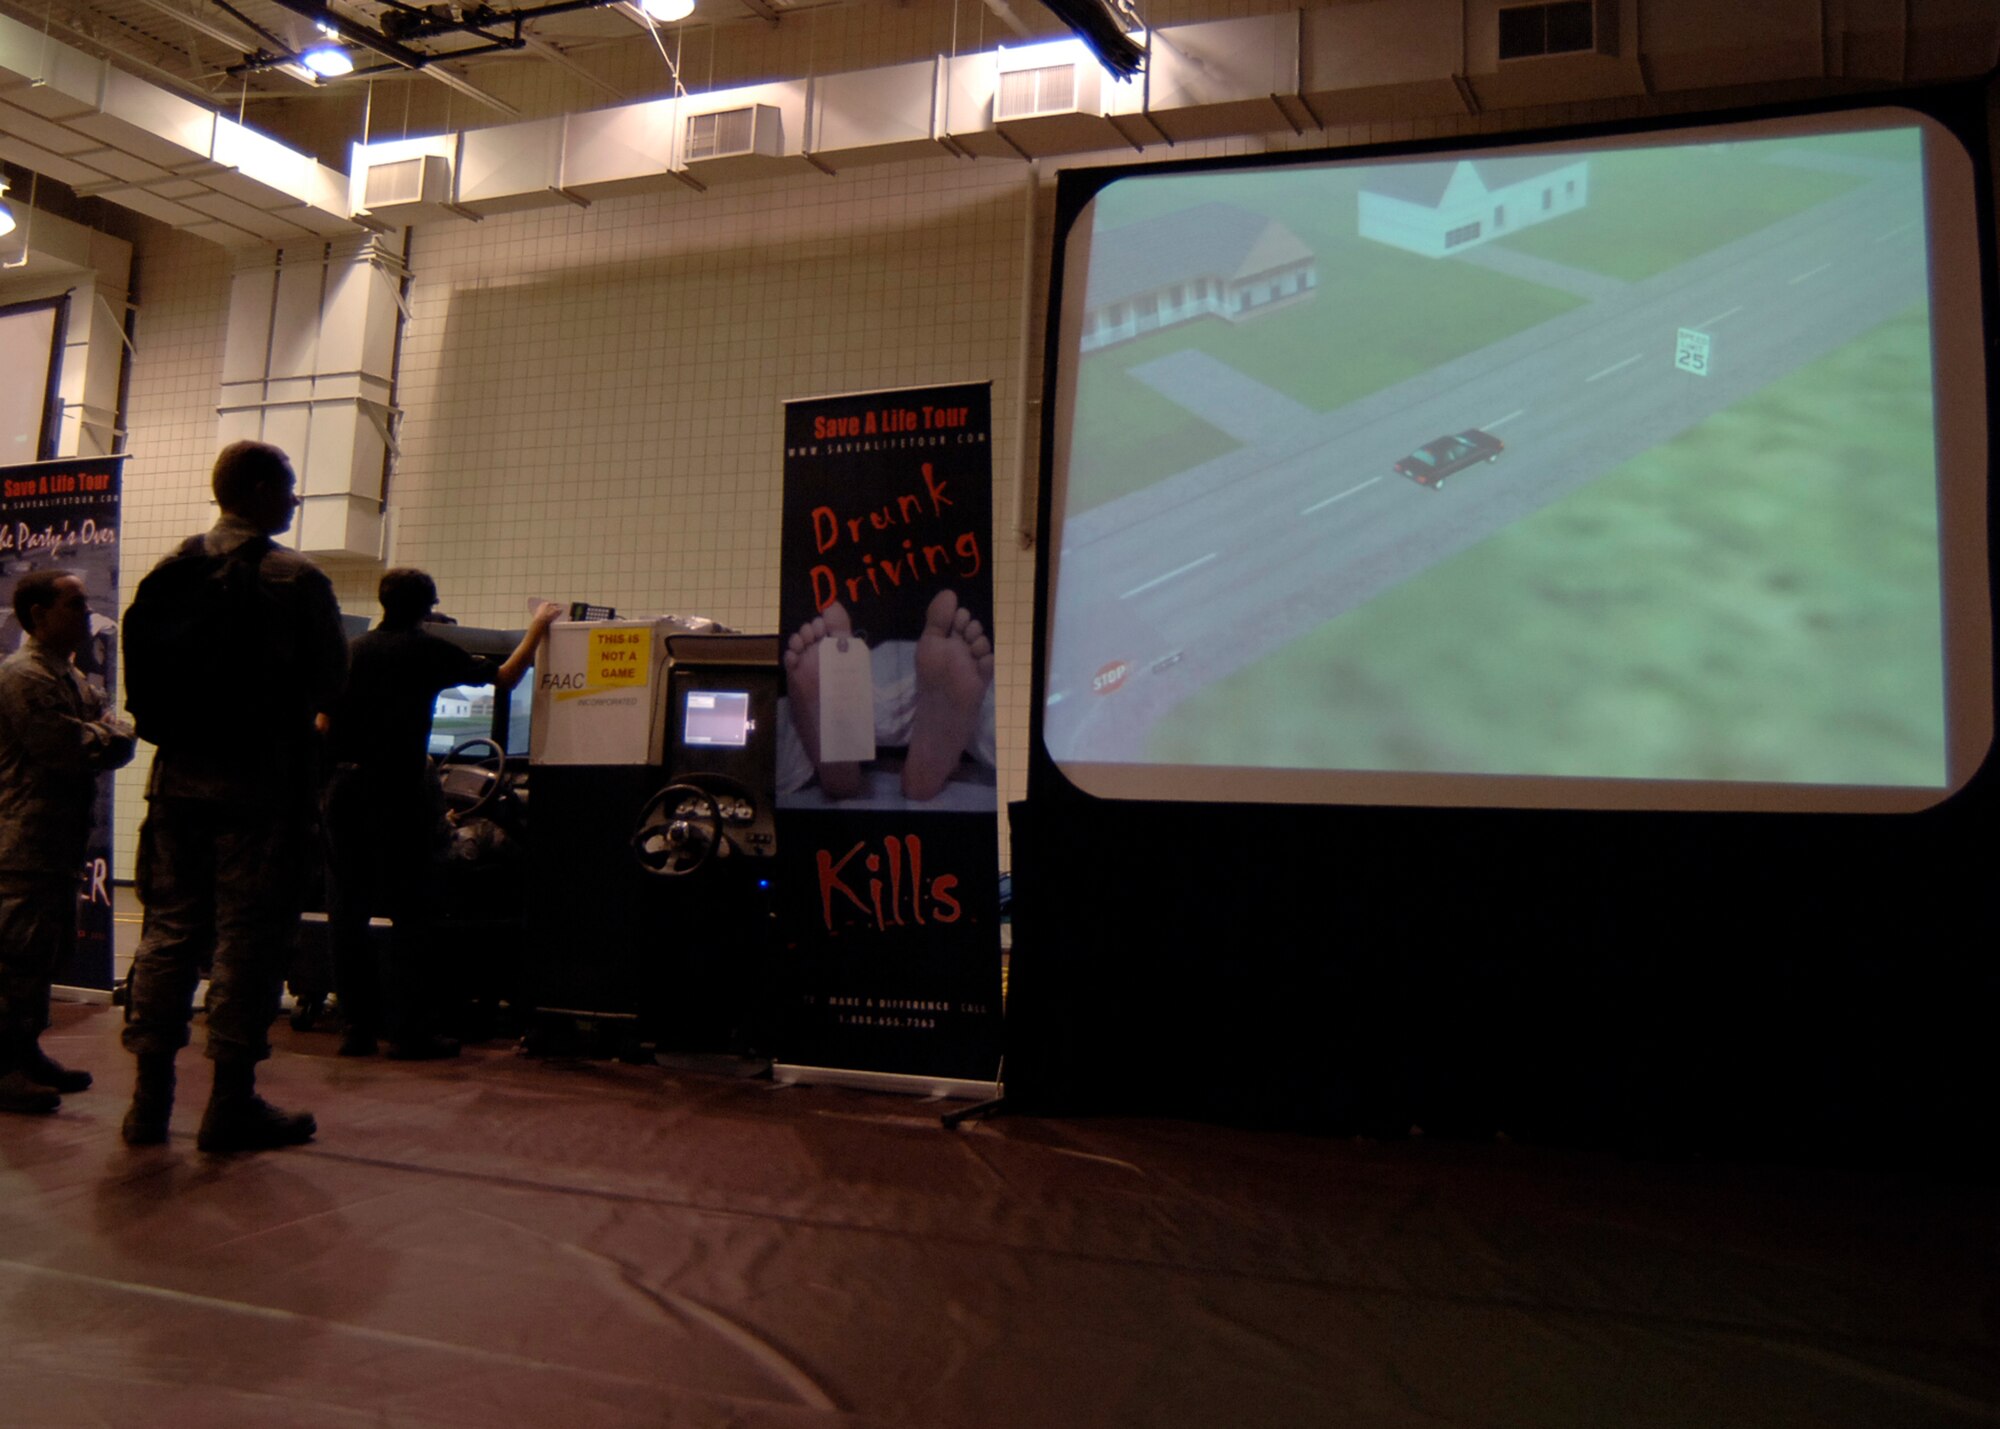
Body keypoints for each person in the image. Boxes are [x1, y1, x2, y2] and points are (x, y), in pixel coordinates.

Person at [120, 440, 348, 1153]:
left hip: (177, 779)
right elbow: (331, 685)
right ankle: (228, 1105)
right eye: (288, 489)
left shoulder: (172, 567)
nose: (294, 502)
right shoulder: (295, 579)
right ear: (255, 490)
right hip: (262, 785)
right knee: (247, 937)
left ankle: (148, 1103)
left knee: (167, 930)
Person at [319, 570, 559, 1059]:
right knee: (412, 912)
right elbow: (506, 678)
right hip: (397, 792)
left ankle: (355, 1029)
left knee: (348, 912)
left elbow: (322, 721)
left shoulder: (353, 650)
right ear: (428, 608)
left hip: (344, 790)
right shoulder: (426, 649)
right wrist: (538, 626)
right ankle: (409, 1032)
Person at [0, 571, 136, 1115]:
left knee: (42, 955)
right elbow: (71, 746)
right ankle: (3, 1067)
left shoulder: (69, 676)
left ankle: (26, 1051)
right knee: (15, 957)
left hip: (55, 840)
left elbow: (106, 734)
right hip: (24, 841)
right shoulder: (24, 677)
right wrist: (111, 732)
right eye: (74, 604)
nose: (87, 614)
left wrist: (107, 733)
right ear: (38, 615)